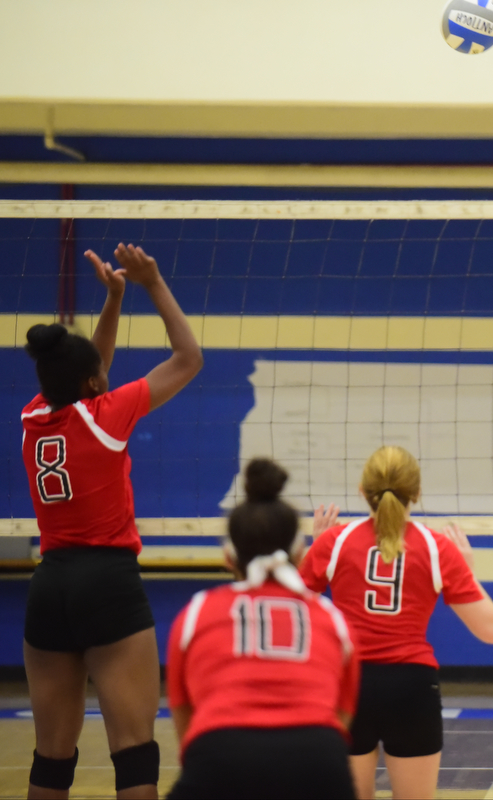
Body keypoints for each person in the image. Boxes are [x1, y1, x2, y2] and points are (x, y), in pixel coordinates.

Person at [21, 244, 203, 799]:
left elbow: (87, 369)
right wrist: (151, 283)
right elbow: (188, 357)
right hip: (108, 583)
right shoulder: (108, 415)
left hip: (49, 586)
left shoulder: (33, 417)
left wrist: (113, 299)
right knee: (134, 753)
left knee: (50, 759)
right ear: (95, 386)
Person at [300, 445, 493, 800]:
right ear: (417, 493)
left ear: (363, 491)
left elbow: (297, 614)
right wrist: (468, 570)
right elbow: (490, 630)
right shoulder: (437, 547)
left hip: (348, 684)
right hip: (411, 688)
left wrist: (320, 552)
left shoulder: (335, 541)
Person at [165, 459, 358, 800]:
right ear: (300, 554)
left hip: (220, 752)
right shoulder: (331, 618)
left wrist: (207, 760)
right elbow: (343, 712)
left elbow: (182, 710)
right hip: (317, 757)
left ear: (228, 557)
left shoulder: (196, 613)